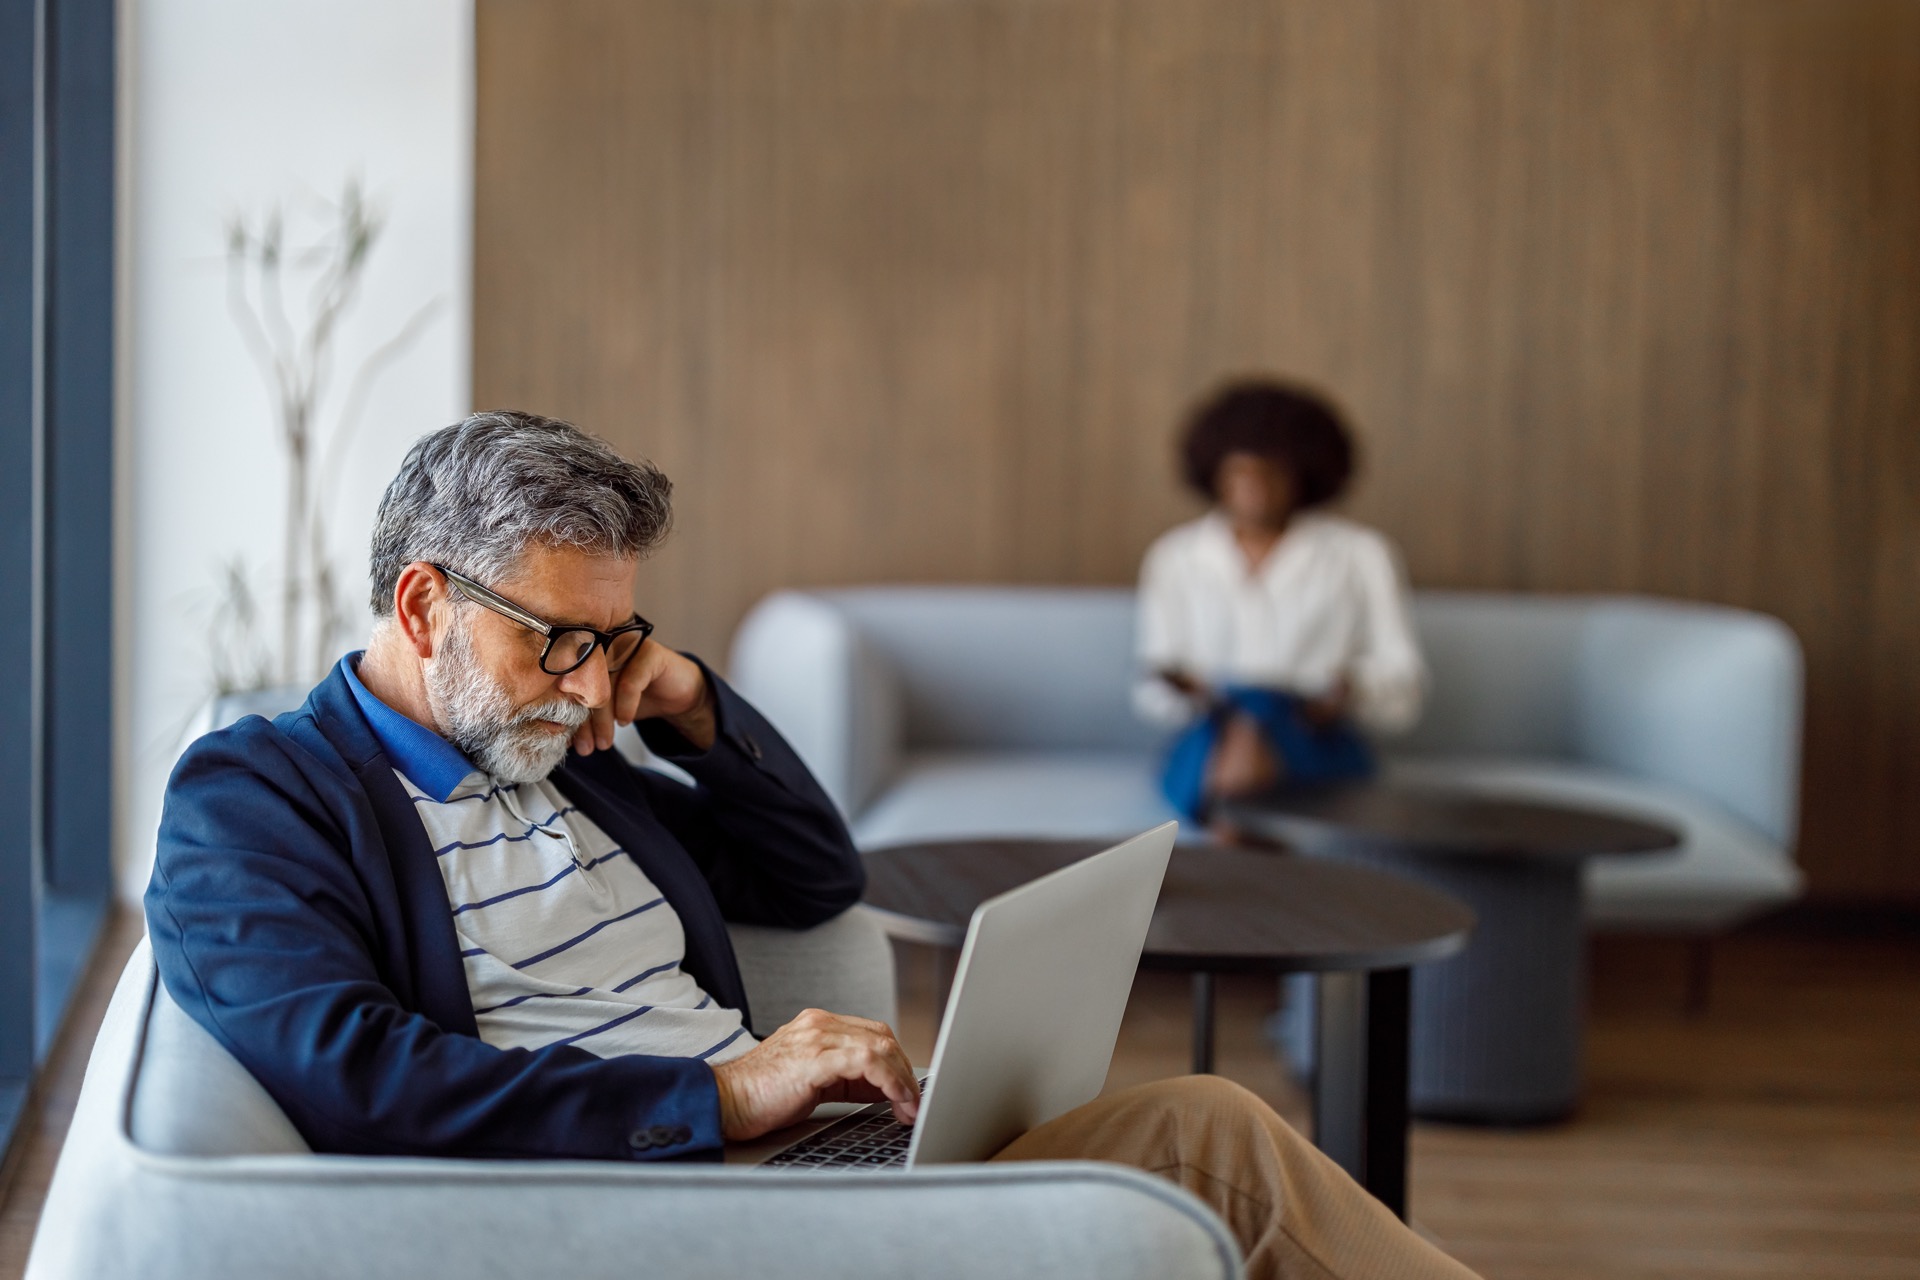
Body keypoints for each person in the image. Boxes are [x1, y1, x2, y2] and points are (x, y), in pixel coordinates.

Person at [148, 411, 1476, 1279]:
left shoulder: (560, 753)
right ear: (424, 603)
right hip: (665, 1209)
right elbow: (354, 1074)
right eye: (556, 637)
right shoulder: (259, 797)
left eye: (613, 638)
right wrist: (724, 1100)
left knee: (1215, 1128)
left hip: (792, 1164)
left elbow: (811, 877)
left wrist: (686, 701)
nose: (582, 678)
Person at [1135, 380, 1426, 832]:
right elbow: (1153, 690)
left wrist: (1350, 693)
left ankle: (1233, 853)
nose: (1255, 489)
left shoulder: (1361, 556)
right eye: (1240, 473)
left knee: (1260, 724)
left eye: (1271, 473)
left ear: (1303, 475)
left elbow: (1402, 682)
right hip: (1214, 728)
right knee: (1244, 721)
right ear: (1215, 475)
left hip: (1313, 732)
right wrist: (1184, 687)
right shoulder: (1175, 558)